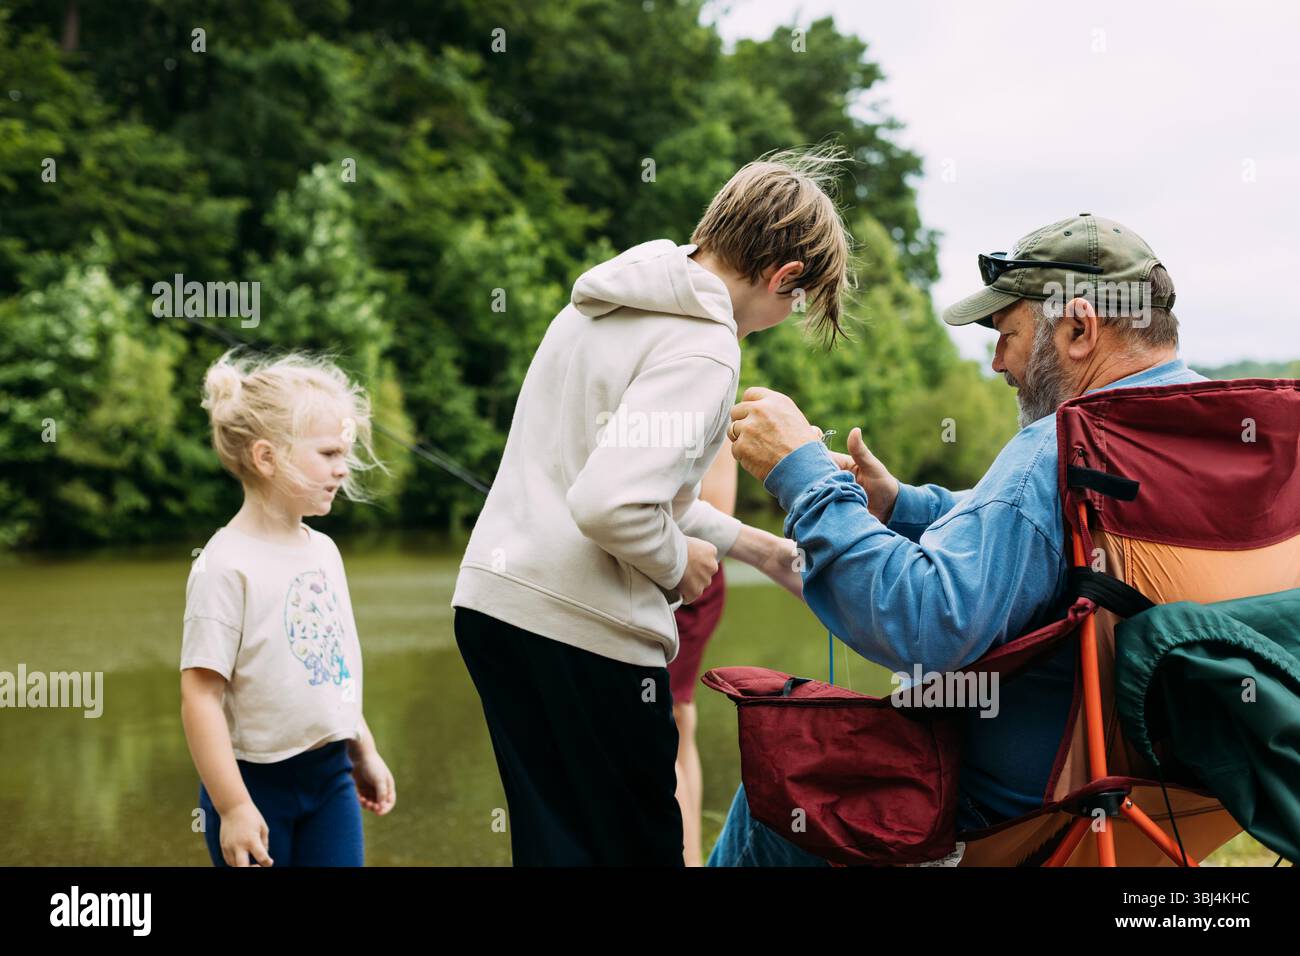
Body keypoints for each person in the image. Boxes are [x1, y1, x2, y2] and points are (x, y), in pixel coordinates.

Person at [711, 213, 1205, 865]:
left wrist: (802, 474)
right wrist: (899, 506)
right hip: (1187, 793)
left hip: (1012, 811)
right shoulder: (1214, 437)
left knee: (782, 786)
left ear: (1080, 328)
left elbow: (922, 625)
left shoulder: (1057, 451)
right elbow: (1042, 534)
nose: (997, 360)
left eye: (1007, 333)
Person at [451, 147, 851, 866]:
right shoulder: (705, 348)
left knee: (555, 849)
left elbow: (636, 486)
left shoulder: (606, 304)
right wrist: (676, 565)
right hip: (585, 631)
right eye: (796, 302)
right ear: (783, 276)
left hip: (497, 608)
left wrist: (763, 553)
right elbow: (609, 504)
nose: (785, 316)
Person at [180, 350, 397, 867]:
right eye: (327, 454)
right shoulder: (224, 566)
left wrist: (361, 749)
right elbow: (200, 697)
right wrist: (233, 806)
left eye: (343, 454)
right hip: (253, 784)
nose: (342, 469)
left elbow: (330, 667)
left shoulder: (324, 552)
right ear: (265, 456)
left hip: (331, 779)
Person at [669, 437, 736, 866]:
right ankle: (692, 857)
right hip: (654, 576)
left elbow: (716, 512)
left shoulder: (711, 398)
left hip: (687, 582)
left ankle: (685, 858)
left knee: (666, 726)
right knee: (678, 721)